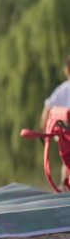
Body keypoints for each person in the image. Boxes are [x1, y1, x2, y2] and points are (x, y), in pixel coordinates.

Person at [40, 55, 70, 191]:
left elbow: (46, 111)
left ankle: (64, 187)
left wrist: (47, 131)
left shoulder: (61, 90)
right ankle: (64, 185)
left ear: (66, 70)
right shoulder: (62, 90)